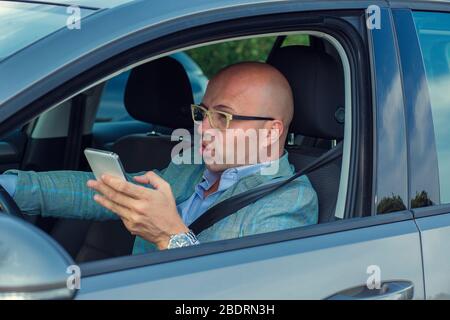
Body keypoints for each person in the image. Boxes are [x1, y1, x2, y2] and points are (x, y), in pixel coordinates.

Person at [0, 62, 318, 254]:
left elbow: (247, 299)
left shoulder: (289, 199)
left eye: (223, 117)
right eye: (202, 113)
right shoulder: (192, 166)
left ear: (271, 131)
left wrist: (169, 236)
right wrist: (10, 186)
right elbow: (102, 190)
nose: (203, 128)